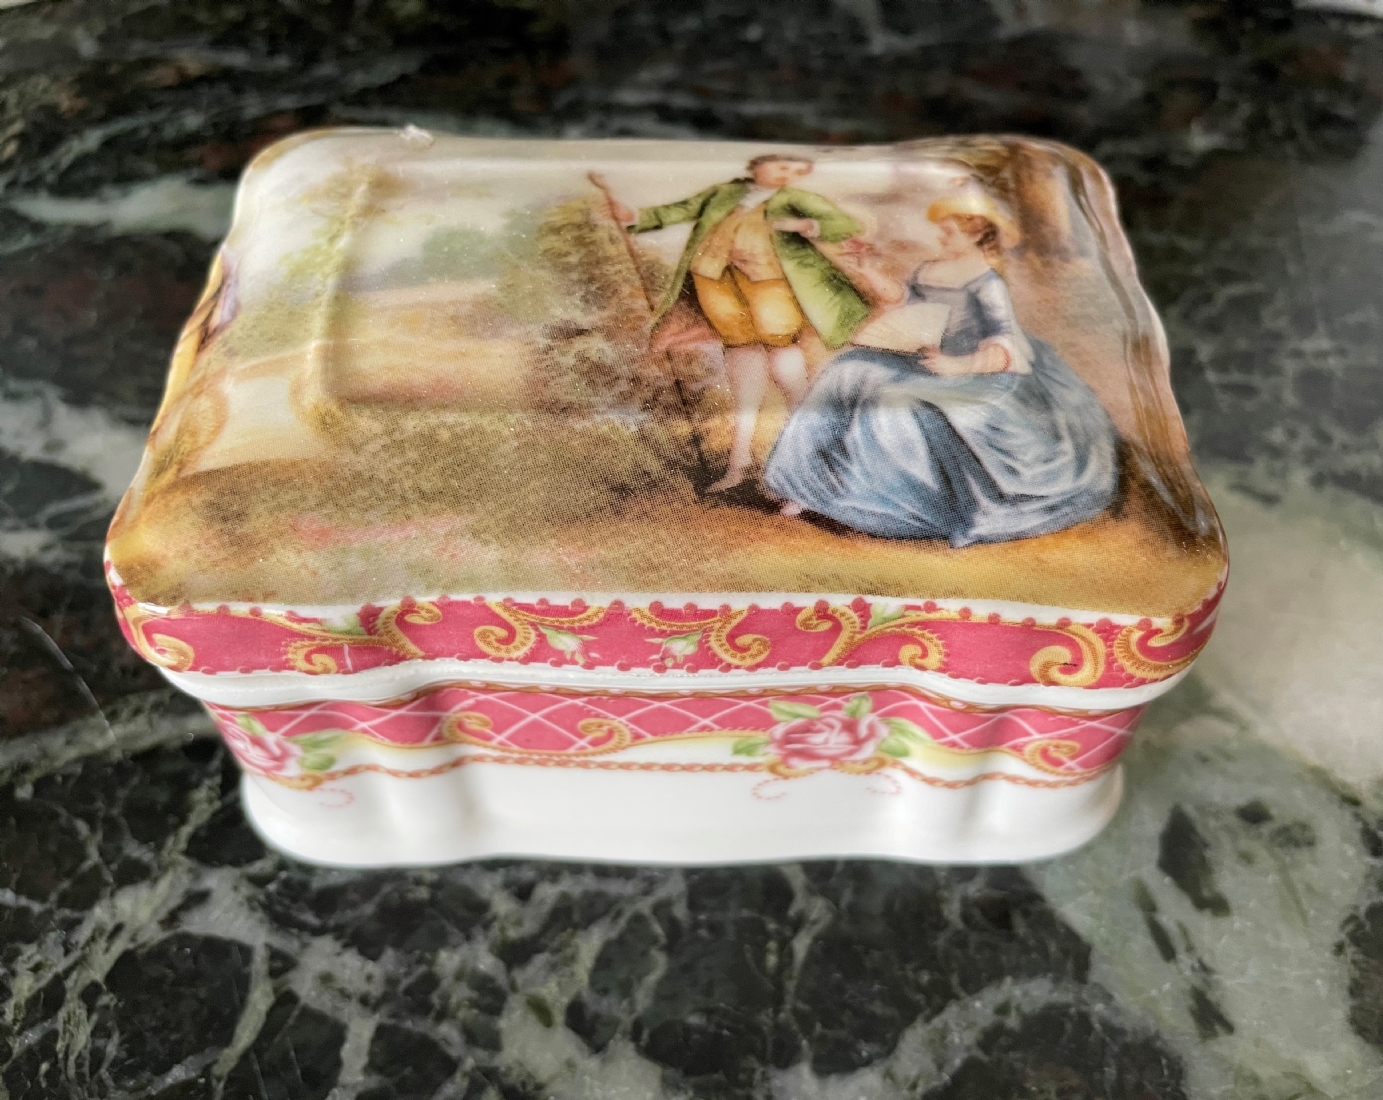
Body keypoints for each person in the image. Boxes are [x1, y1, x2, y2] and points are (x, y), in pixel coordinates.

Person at [761, 192, 1119, 546]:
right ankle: (807, 484)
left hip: (978, 375)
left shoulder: (987, 282)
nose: (941, 237)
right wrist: (868, 271)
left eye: (949, 232)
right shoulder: (930, 269)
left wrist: (960, 365)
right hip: (929, 362)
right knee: (847, 370)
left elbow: (1004, 345)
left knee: (893, 399)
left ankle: (879, 503)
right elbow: (903, 302)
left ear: (976, 235)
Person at [608, 154, 871, 491]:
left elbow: (843, 225)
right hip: (714, 278)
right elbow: (677, 211)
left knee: (784, 360)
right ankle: (739, 462)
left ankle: (806, 467)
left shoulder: (796, 199)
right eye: (781, 166)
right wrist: (632, 216)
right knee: (741, 356)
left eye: (795, 171)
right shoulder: (724, 193)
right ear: (758, 165)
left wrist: (805, 226)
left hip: (770, 283)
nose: (786, 175)